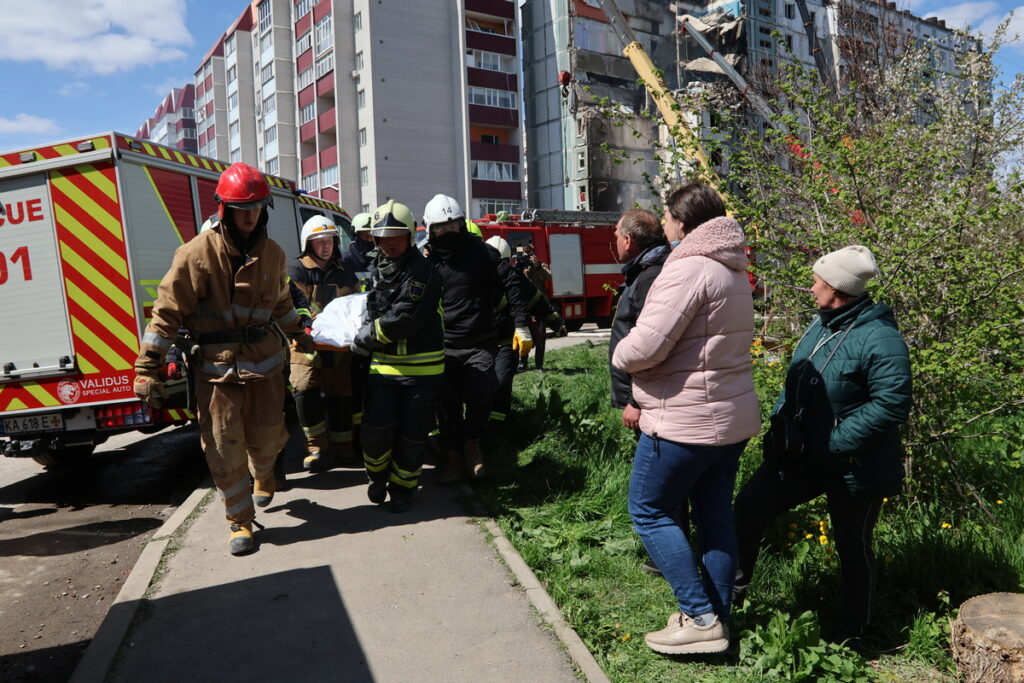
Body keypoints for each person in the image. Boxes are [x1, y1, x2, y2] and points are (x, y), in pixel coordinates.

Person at [133, 162, 314, 556]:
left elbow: (282, 304)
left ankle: (263, 473)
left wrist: (300, 334)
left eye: (256, 208)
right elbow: (166, 313)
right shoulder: (196, 254)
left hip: (265, 367)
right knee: (223, 447)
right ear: (224, 210)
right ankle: (240, 522)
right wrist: (147, 367)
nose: (249, 215)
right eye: (241, 208)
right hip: (216, 374)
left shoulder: (274, 254)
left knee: (267, 442)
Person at [733, 245, 911, 644]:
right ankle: (729, 602)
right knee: (747, 508)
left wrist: (834, 442)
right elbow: (796, 381)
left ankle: (854, 634)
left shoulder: (880, 338)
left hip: (854, 464)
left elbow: (893, 404)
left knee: (853, 546)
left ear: (837, 289)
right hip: (802, 457)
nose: (811, 287)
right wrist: (780, 426)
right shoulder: (822, 325)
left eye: (817, 280)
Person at [612, 182, 760, 654]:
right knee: (715, 518)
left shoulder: (690, 268)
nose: (666, 226)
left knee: (649, 510)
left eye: (669, 218)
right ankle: (717, 617)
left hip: (683, 420)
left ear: (682, 221)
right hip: (727, 418)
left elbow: (645, 345)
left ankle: (698, 617)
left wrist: (620, 354)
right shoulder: (732, 268)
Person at [424, 194, 530, 482]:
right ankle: (453, 458)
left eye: (453, 226)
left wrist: (522, 325)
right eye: (440, 229)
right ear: (430, 230)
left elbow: (513, 284)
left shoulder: (482, 253)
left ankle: (473, 448)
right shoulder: (425, 261)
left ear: (461, 225)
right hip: (442, 347)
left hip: (479, 343)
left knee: (482, 394)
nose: (447, 233)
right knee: (446, 405)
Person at [351, 200, 444, 512]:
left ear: (409, 236)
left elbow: (406, 317)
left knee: (412, 437)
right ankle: (376, 475)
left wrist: (366, 336)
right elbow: (371, 307)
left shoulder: (423, 272)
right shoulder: (377, 269)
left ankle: (403, 488)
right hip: (383, 369)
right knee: (374, 432)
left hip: (422, 372)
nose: (389, 243)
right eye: (382, 237)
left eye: (396, 236)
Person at [289, 215, 359, 471]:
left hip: (338, 346)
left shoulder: (345, 273)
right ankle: (316, 446)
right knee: (303, 387)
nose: (326, 246)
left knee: (341, 393)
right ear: (308, 244)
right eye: (319, 241)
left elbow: (355, 304)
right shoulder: (296, 271)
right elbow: (294, 307)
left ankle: (343, 446)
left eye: (329, 240)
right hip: (303, 343)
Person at [485, 235, 566, 427]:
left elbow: (536, 301)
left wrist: (556, 323)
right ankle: (481, 423)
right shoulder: (477, 277)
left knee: (502, 381)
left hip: (506, 340)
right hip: (483, 341)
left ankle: (497, 427)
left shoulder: (514, 277)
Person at [518, 242, 553, 371]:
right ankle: (523, 363)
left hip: (539, 307)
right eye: (525, 253)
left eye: (530, 253)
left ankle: (539, 365)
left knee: (540, 337)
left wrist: (537, 265)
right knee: (524, 336)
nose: (528, 256)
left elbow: (548, 277)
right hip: (525, 307)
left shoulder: (540, 265)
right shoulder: (520, 267)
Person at [341, 212, 374, 291]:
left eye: (372, 236)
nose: (369, 240)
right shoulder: (345, 261)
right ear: (356, 236)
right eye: (365, 235)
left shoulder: (377, 259)